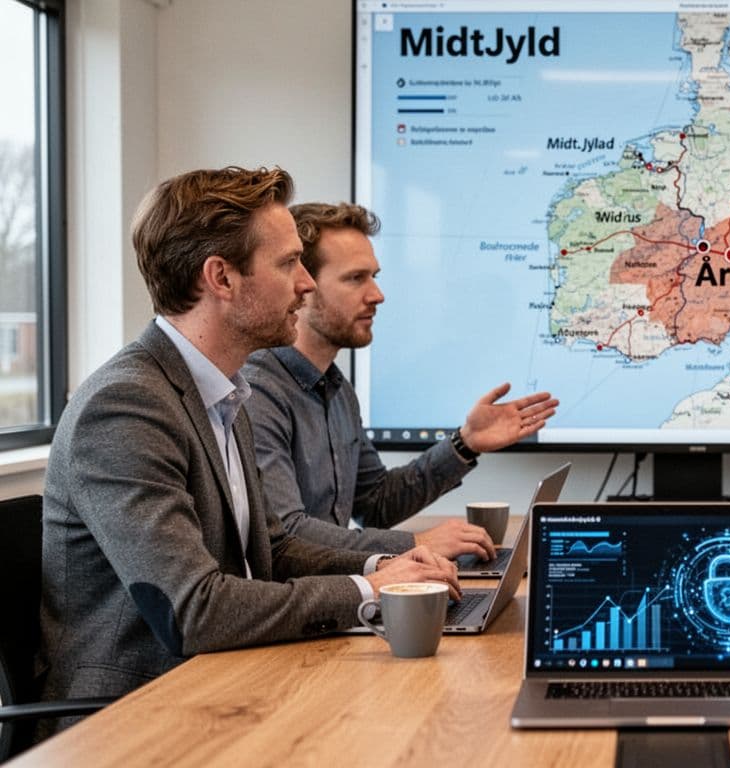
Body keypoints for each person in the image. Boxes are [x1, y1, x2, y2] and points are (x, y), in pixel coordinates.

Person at [39, 167, 462, 724]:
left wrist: (385, 562)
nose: (305, 284)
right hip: (133, 717)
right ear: (221, 278)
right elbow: (194, 609)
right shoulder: (125, 407)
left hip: (220, 683)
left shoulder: (220, 390)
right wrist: (369, 589)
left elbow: (270, 549)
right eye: (288, 263)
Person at [242, 202, 557, 558]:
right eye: (356, 278)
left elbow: (374, 504)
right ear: (303, 286)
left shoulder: (337, 389)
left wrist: (465, 443)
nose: (377, 295)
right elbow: (288, 534)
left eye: (374, 276)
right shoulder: (256, 393)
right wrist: (416, 544)